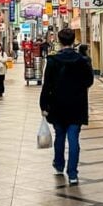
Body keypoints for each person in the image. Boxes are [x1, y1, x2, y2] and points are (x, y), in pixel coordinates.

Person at [39, 28, 94, 185]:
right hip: (77, 105)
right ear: (73, 40)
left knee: (60, 136)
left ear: (59, 40)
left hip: (57, 105)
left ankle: (58, 164)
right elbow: (89, 81)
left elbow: (46, 85)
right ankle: (73, 174)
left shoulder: (52, 61)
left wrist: (44, 105)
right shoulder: (82, 61)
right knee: (74, 139)